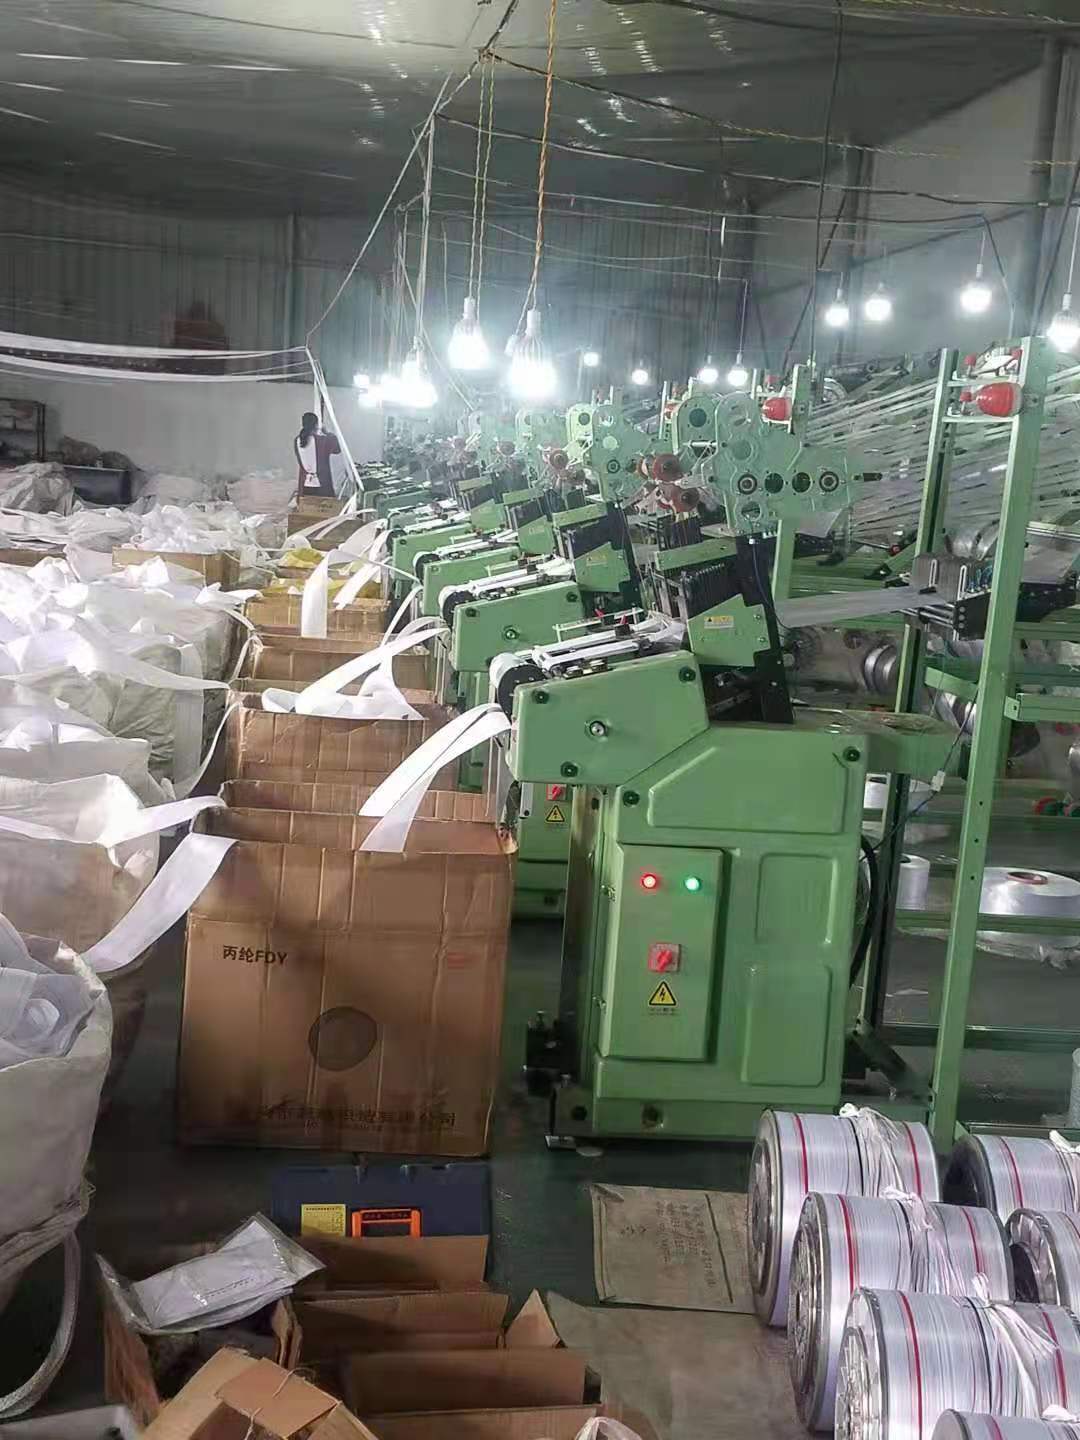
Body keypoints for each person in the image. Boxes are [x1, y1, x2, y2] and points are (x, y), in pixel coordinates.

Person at [294, 411, 341, 498]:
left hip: (305, 485)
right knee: (324, 505)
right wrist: (327, 433)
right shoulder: (322, 441)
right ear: (316, 425)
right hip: (322, 485)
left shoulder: (297, 440)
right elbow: (337, 449)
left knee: (307, 506)